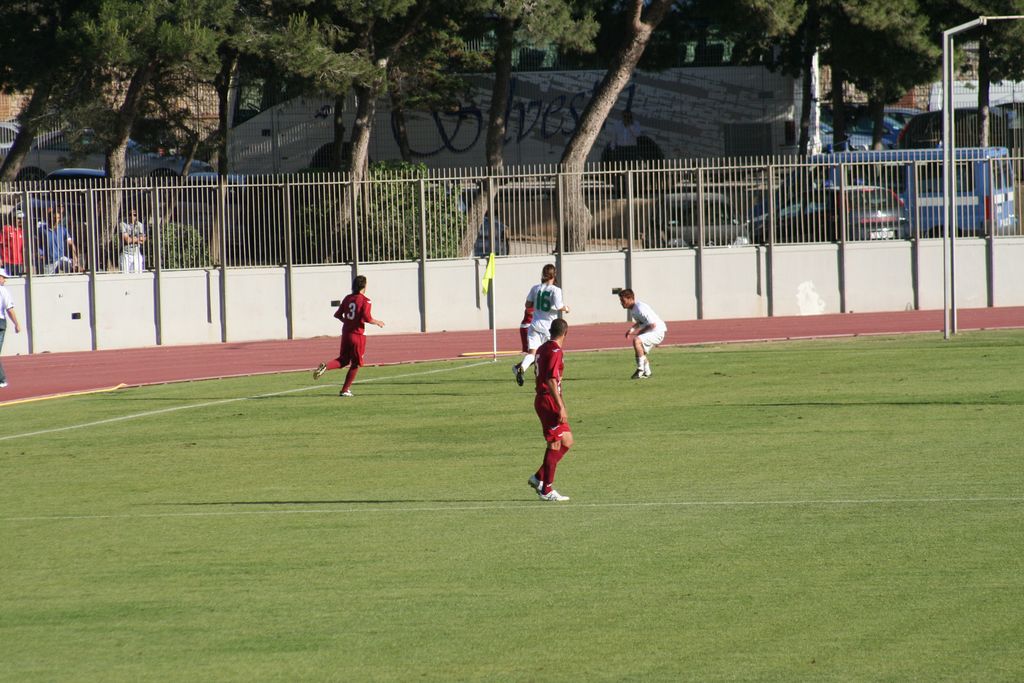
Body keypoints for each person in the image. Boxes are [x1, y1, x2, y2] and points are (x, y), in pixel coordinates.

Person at [312, 274, 385, 397]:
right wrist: (377, 322)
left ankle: (326, 366)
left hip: (346, 334)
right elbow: (367, 318)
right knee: (356, 364)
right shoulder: (366, 300)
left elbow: (337, 315)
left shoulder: (347, 298)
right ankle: (345, 390)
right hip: (358, 335)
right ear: (364, 286)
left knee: (344, 360)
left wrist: (347, 322)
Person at [526, 317, 573, 501]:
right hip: (549, 400)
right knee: (554, 443)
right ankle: (546, 490)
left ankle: (539, 477)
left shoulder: (542, 348)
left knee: (567, 440)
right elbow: (551, 379)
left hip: (544, 398)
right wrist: (560, 406)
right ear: (565, 333)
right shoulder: (555, 351)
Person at [513, 263, 569, 386]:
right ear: (554, 275)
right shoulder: (556, 290)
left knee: (532, 354)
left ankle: (520, 368)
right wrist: (567, 308)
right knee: (550, 354)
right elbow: (559, 306)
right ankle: (551, 378)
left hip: (534, 325)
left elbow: (527, 305)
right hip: (548, 328)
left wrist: (538, 303)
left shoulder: (535, 288)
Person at [618, 288, 667, 379]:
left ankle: (640, 369)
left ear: (630, 299)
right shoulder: (633, 309)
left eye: (623, 300)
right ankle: (647, 372)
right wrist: (631, 330)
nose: (621, 303)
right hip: (653, 331)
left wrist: (640, 332)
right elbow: (641, 322)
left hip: (658, 331)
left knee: (636, 341)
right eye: (620, 301)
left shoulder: (640, 308)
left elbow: (652, 325)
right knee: (640, 352)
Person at [0, 267, 22, 389]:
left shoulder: (3, 290)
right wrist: (16, 323)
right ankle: (2, 379)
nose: (5, 280)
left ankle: (2, 379)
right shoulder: (3, 291)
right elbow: (9, 309)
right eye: (3, 277)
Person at [37, 209, 77, 274]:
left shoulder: (63, 229)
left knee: (76, 267)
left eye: (58, 218)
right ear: (49, 218)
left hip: (60, 258)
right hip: (49, 261)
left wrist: (74, 256)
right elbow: (37, 243)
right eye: (54, 217)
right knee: (45, 278)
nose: (56, 220)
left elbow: (71, 243)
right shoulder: (42, 230)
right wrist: (40, 254)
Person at [119, 209, 146, 273]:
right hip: (126, 253)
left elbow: (143, 240)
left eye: (134, 215)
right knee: (125, 275)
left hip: (137, 253)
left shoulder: (140, 225)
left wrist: (132, 239)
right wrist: (138, 239)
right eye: (130, 214)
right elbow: (127, 240)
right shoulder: (122, 224)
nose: (132, 216)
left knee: (138, 274)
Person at [0, 210, 26, 277]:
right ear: (13, 218)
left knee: (18, 280)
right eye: (19, 218)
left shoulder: (23, 231)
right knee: (7, 279)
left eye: (22, 218)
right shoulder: (6, 229)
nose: (21, 220)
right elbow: (1, 244)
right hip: (7, 261)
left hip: (19, 261)